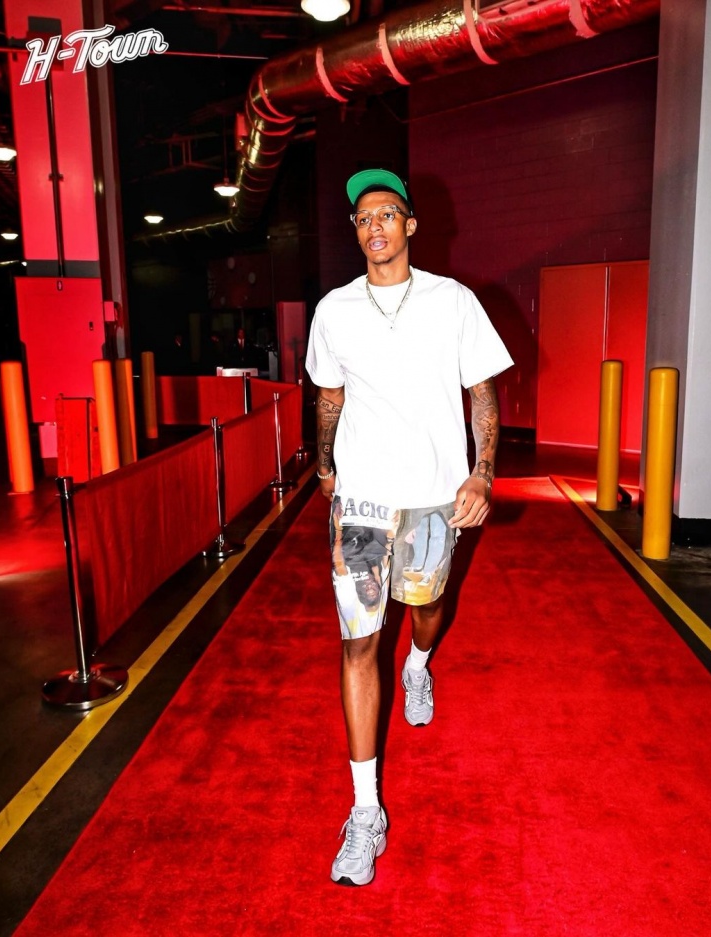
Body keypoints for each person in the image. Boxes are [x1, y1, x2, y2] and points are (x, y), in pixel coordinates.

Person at [305, 169, 514, 887]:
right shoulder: (334, 310)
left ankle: (420, 663)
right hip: (361, 502)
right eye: (363, 218)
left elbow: (482, 391)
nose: (375, 227)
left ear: (411, 225)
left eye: (387, 214)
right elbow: (329, 396)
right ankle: (365, 811)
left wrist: (482, 472)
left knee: (424, 608)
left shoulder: (452, 301)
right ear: (356, 231)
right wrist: (326, 465)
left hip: (431, 498)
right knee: (358, 640)